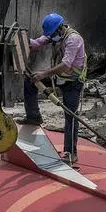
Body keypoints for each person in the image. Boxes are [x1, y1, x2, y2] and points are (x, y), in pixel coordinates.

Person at [25, 13, 87, 164]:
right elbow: (36, 43)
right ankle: (34, 116)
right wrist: (22, 40)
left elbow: (66, 65)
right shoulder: (54, 35)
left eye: (52, 35)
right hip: (59, 77)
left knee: (70, 116)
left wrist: (43, 74)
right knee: (29, 81)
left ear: (60, 29)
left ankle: (71, 153)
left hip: (73, 81)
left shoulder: (73, 39)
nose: (50, 38)